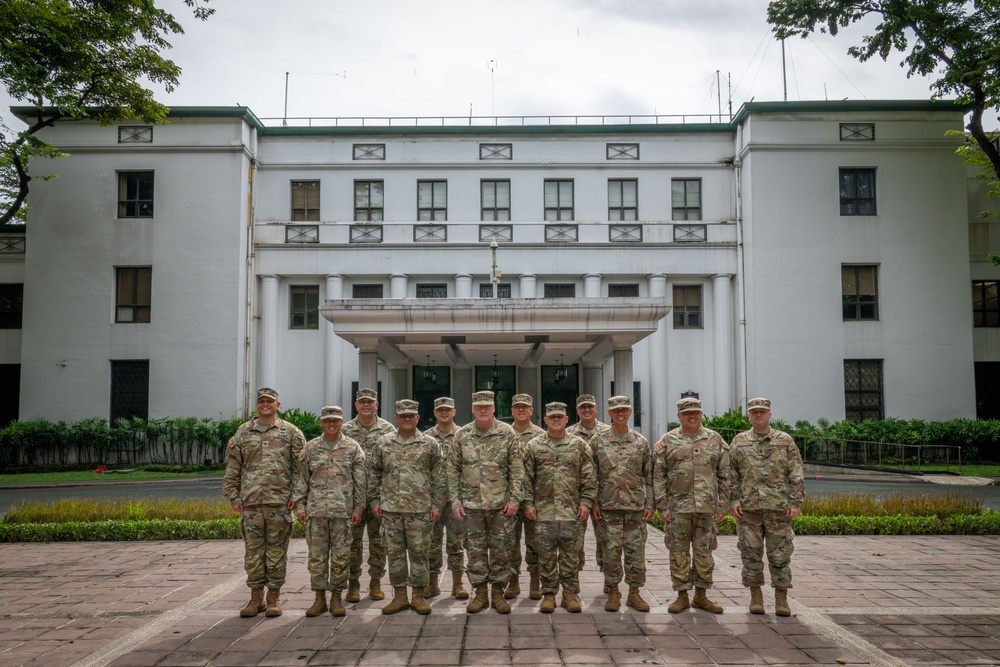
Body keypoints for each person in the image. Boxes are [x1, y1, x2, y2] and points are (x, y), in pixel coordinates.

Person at [223, 387, 306, 618]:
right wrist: (233, 496)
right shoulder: (243, 432)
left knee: (277, 553)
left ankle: (274, 598)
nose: (265, 404)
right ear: (257, 405)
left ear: (278, 405)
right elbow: (233, 467)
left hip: (280, 504)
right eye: (262, 401)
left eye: (270, 401)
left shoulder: (291, 433)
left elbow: (301, 469)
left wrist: (297, 495)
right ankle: (256, 598)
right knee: (253, 554)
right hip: (251, 504)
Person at [367, 399, 447, 615]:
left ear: (418, 418)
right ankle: (400, 597)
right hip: (391, 510)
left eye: (411, 415)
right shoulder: (383, 443)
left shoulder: (429, 444)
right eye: (403, 416)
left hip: (420, 510)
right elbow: (373, 473)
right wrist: (375, 501)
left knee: (419, 554)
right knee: (394, 555)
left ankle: (418, 597)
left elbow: (439, 477)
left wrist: (437, 505)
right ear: (396, 418)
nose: (407, 419)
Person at [448, 390, 524, 614]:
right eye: (479, 406)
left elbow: (517, 469)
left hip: (501, 506)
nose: (483, 410)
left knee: (502, 550)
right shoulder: (461, 435)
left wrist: (515, 499)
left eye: (487, 406)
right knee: (475, 551)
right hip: (471, 506)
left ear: (493, 408)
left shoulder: (506, 433)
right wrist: (455, 501)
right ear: (473, 409)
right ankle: (480, 593)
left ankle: (498, 593)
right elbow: (452, 470)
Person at [653, 396, 730, 614]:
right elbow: (658, 476)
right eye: (687, 413)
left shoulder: (715, 440)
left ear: (701, 414)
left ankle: (701, 596)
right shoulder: (667, 441)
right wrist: (662, 506)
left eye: (695, 412)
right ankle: (682, 596)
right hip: (677, 509)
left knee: (704, 553)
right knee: (678, 553)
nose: (692, 416)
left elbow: (726, 475)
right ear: (679, 416)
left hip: (706, 509)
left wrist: (722, 505)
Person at [730, 397, 805, 617]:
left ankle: (782, 599)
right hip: (749, 510)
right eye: (754, 412)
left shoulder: (784, 441)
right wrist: (733, 501)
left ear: (770, 414)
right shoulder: (740, 441)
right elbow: (731, 474)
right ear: (749, 415)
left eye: (762, 411)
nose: (758, 415)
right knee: (750, 554)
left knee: (780, 556)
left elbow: (796, 472)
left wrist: (795, 502)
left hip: (778, 509)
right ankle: (756, 597)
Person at [523, 402, 597, 613]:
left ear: (566, 420)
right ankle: (548, 595)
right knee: (545, 556)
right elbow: (526, 478)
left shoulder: (579, 445)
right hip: (543, 512)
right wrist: (528, 503)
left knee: (570, 556)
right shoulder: (534, 446)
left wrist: (586, 502)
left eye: (560, 417)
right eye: (552, 417)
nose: (556, 420)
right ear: (545, 420)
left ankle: (568, 594)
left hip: (571, 512)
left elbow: (589, 477)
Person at [293, 406, 366, 617]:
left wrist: (359, 508)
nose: (331, 424)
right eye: (327, 421)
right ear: (322, 423)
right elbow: (301, 480)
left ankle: (336, 598)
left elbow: (360, 481)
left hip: (342, 513)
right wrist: (300, 506)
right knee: (317, 557)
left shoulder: (352, 448)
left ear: (342, 422)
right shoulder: (310, 448)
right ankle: (319, 599)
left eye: (335, 420)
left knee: (341, 557)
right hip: (316, 513)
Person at [592, 395, 653, 612]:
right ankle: (613, 591)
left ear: (629, 412)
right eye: (616, 410)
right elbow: (590, 476)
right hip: (607, 508)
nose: (620, 413)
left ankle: (634, 593)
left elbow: (649, 476)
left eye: (624, 410)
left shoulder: (640, 442)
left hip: (635, 508)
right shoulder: (598, 441)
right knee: (610, 552)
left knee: (636, 552)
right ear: (609, 413)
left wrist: (650, 504)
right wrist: (593, 503)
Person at [341, 387, 395, 603]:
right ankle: (353, 583)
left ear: (376, 405)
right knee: (351, 543)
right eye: (362, 401)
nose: (366, 405)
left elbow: (391, 466)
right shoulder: (345, 430)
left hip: (378, 497)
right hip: (351, 497)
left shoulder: (388, 430)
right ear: (356, 405)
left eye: (370, 402)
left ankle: (376, 582)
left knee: (379, 542)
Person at [424, 396, 468, 600]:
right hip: (432, 500)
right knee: (431, 544)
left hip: (454, 500)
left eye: (447, 410)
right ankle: (432, 584)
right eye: (440, 410)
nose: (444, 413)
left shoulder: (463, 435)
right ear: (434, 413)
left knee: (456, 543)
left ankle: (458, 584)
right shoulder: (425, 437)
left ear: (454, 412)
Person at [506, 393, 545, 600]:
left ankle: (535, 580)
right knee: (510, 543)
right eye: (517, 407)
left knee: (535, 542)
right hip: (509, 499)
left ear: (531, 410)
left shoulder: (541, 435)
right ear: (512, 410)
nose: (521, 410)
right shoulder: (504, 433)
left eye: (525, 407)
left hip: (534, 499)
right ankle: (513, 581)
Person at [567, 394, 611, 579]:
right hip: (578, 497)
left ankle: (609, 582)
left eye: (590, 407)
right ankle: (574, 579)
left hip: (604, 496)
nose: (587, 410)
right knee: (575, 540)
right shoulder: (569, 434)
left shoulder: (608, 432)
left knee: (606, 540)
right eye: (583, 407)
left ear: (596, 408)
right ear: (577, 410)